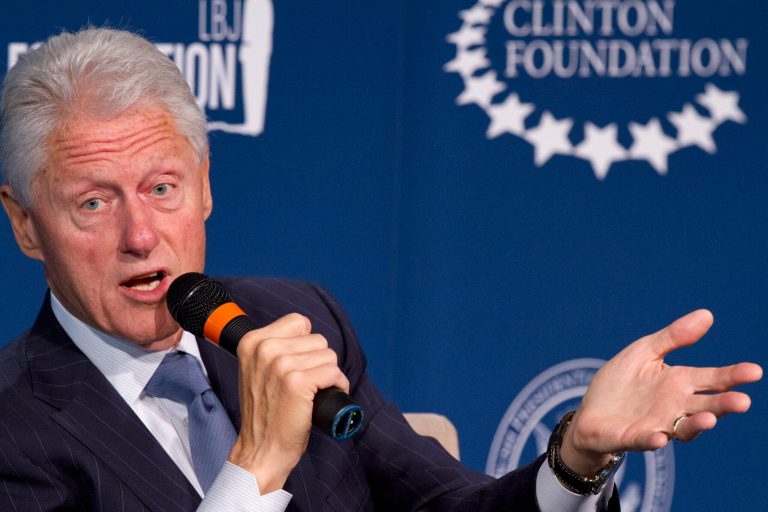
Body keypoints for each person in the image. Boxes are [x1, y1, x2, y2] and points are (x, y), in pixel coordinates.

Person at [0, 27, 761, 511]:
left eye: (162, 188)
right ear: (26, 224)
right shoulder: (15, 431)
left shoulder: (293, 317)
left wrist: (574, 458)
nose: (141, 234)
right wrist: (257, 465)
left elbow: (445, 505)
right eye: (94, 204)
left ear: (205, 185)